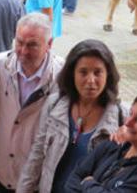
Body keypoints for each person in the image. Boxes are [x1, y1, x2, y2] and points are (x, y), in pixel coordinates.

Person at [18, 39, 125, 193]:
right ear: (72, 74)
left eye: (98, 72)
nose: (91, 80)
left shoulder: (122, 117)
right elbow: (36, 156)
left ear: (108, 74)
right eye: (83, 72)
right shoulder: (54, 105)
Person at [0, 13, 63, 192]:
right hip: (2, 169)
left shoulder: (63, 76)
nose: (23, 51)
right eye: (19, 42)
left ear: (49, 44)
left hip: (38, 177)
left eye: (32, 45)